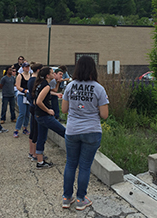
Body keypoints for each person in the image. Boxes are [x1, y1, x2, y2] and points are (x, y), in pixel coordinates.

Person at [60, 57, 109, 211]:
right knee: (85, 167)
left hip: (73, 130)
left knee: (71, 164)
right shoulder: (99, 88)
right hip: (92, 131)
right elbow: (104, 114)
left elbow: (64, 110)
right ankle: (81, 199)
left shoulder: (70, 86)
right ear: (93, 69)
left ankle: (67, 198)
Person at [32, 66, 66, 169]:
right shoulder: (45, 86)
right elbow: (38, 101)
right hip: (45, 116)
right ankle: (76, 154)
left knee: (41, 138)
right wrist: (48, 110)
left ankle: (40, 162)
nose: (54, 74)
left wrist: (56, 94)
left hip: (39, 115)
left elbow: (38, 98)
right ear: (48, 75)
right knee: (64, 132)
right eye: (52, 73)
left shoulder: (40, 84)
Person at [14, 62, 33, 137]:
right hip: (22, 95)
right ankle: (16, 129)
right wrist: (25, 90)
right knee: (22, 113)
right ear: (23, 68)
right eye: (26, 67)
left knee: (28, 113)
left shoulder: (31, 76)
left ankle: (25, 128)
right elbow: (18, 86)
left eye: (28, 67)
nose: (27, 68)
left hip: (29, 96)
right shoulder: (20, 76)